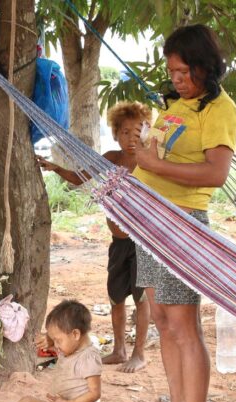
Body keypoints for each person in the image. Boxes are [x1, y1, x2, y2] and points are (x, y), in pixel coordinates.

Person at [132, 25, 236, 402]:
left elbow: (216, 173)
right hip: (150, 220)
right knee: (161, 317)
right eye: (172, 72)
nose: (176, 79)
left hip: (181, 225)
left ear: (203, 66)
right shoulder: (176, 105)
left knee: (183, 323)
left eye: (183, 72)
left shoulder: (219, 110)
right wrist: (144, 153)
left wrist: (154, 165)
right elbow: (153, 155)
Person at [37, 102, 152, 373]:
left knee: (142, 298)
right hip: (119, 241)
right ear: (115, 134)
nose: (131, 138)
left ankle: (139, 353)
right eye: (124, 132)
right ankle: (119, 349)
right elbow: (81, 177)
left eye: (137, 132)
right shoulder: (111, 159)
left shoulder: (149, 161)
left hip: (143, 241)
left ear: (147, 132)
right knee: (116, 296)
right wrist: (54, 168)